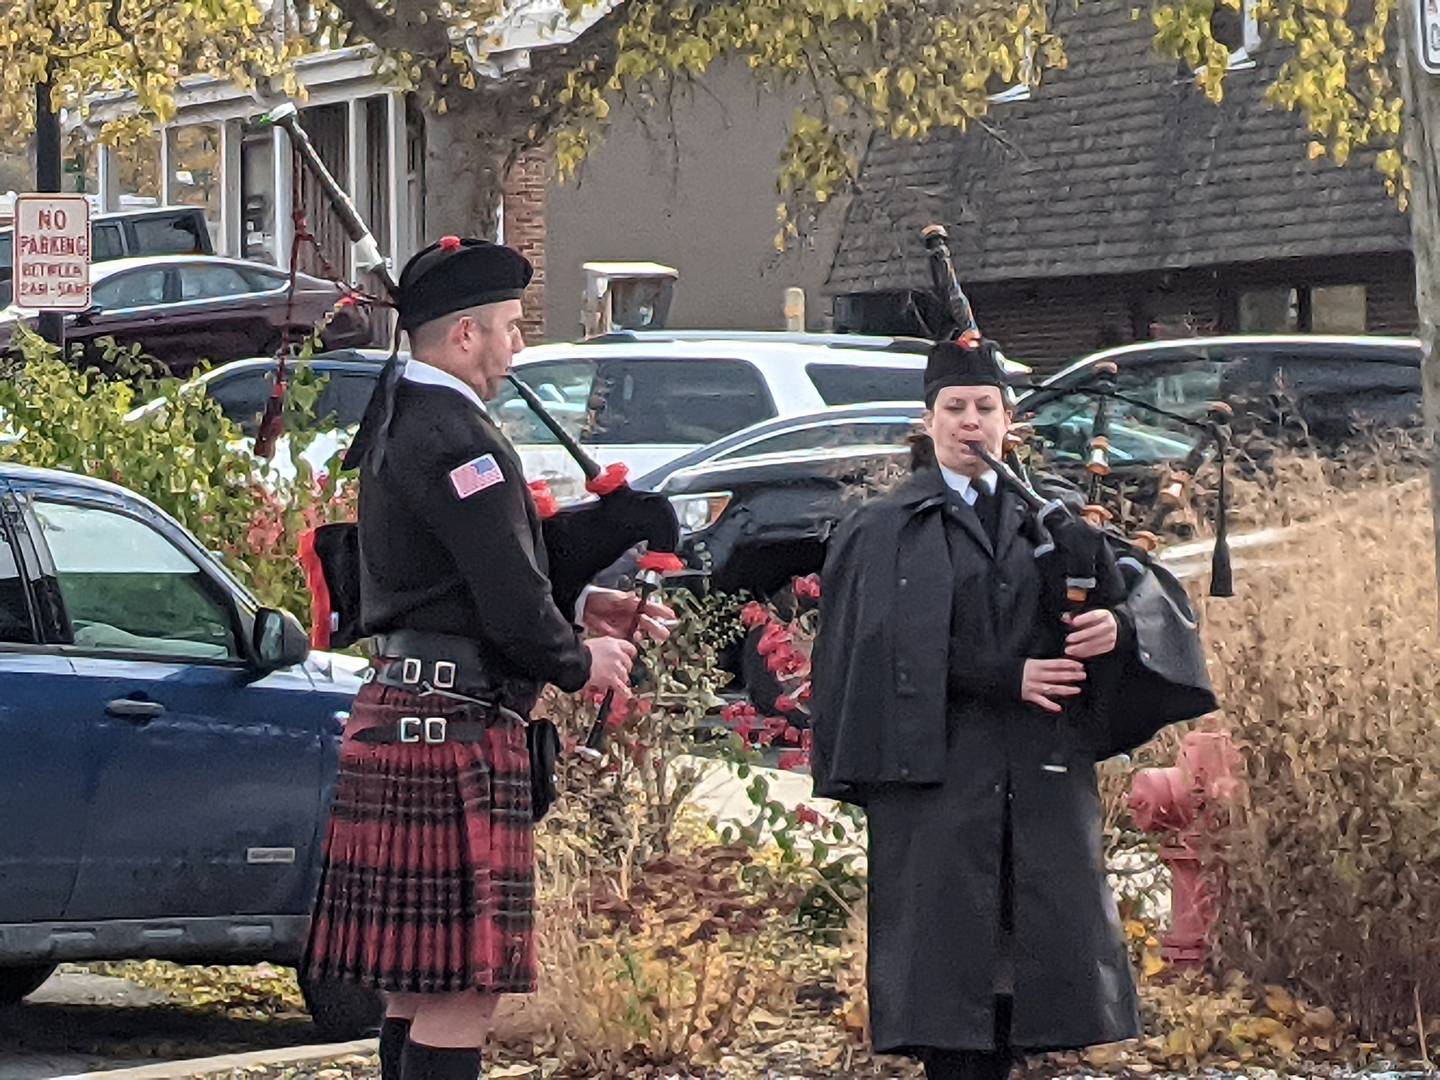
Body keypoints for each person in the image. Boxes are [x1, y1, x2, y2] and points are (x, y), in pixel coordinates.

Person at [302, 236, 673, 1080]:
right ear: (463, 334)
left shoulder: (406, 416)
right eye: (507, 328)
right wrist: (582, 659)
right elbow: (506, 595)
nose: (515, 348)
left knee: (413, 989)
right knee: (459, 994)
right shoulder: (457, 438)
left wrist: (582, 595)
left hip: (411, 706)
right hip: (451, 724)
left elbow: (461, 572)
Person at [810, 338, 1217, 1080]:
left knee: (1026, 976)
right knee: (948, 984)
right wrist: (1003, 676)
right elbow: (869, 653)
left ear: (1010, 422)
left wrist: (1117, 626)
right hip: (939, 779)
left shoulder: (1054, 521)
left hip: (1038, 775)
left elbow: (1149, 593)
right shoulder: (884, 528)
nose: (971, 423)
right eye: (955, 409)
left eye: (985, 409)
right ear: (927, 421)